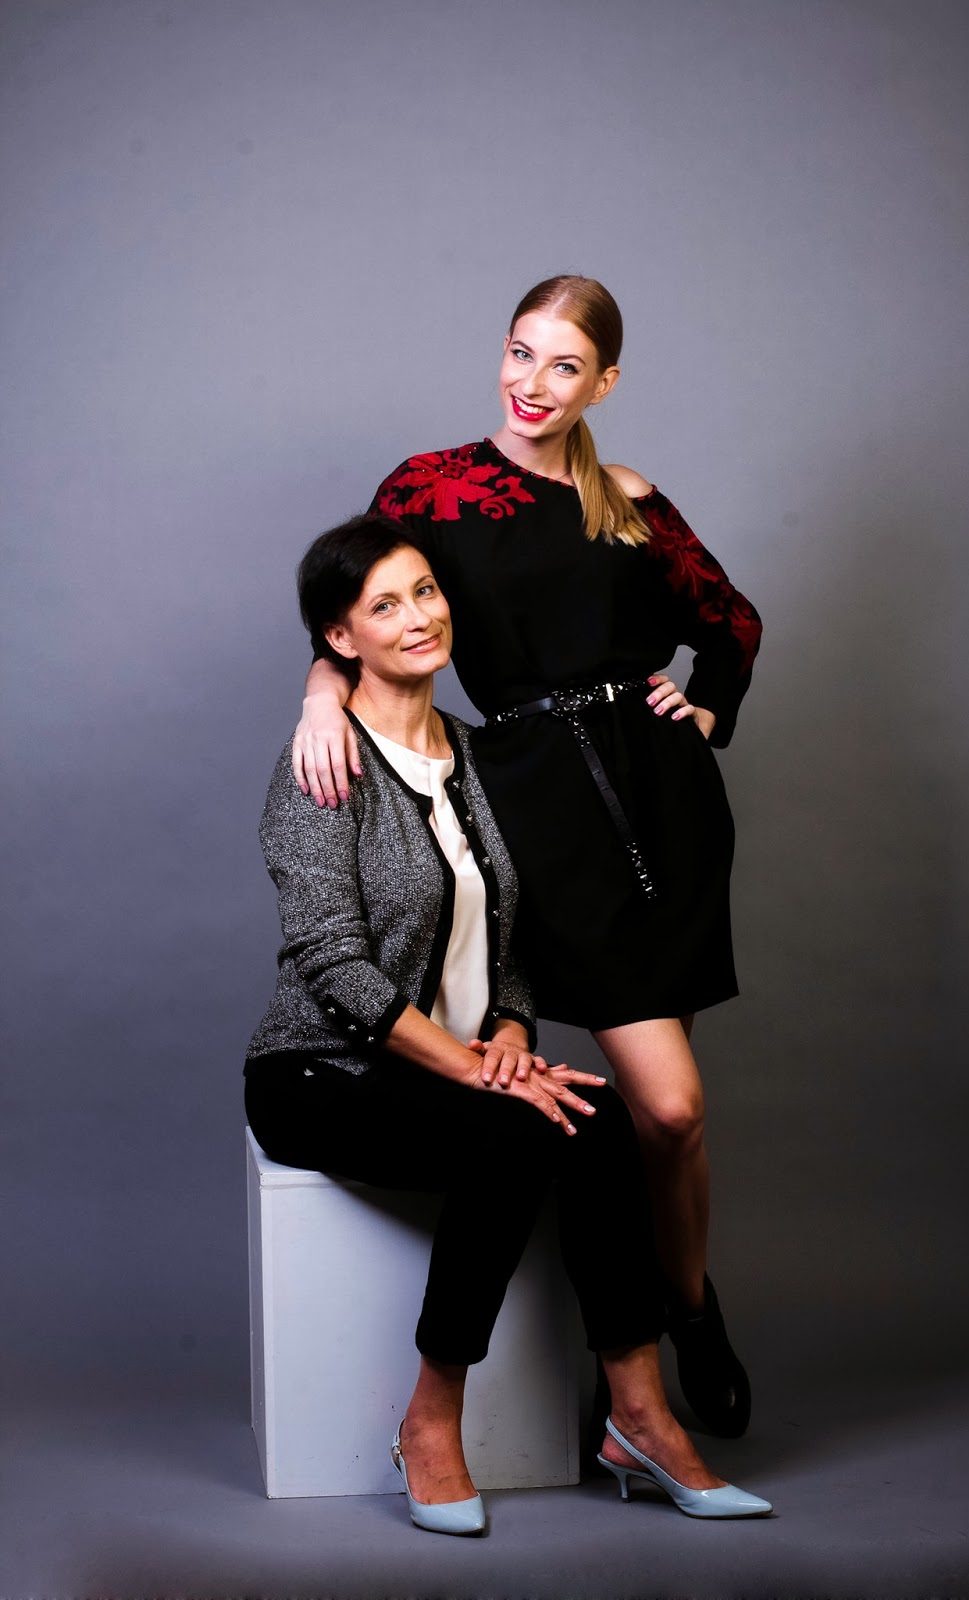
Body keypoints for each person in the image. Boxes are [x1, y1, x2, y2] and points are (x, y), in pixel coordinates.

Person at [293, 277, 763, 1439]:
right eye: (519, 352)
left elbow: (731, 626)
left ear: (604, 381)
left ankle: (676, 1320)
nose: (532, 383)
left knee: (666, 1117)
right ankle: (670, 1321)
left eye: (563, 365)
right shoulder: (431, 487)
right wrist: (317, 695)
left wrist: (705, 709)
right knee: (670, 1101)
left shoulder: (629, 500)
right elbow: (351, 606)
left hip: (664, 803)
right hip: (540, 806)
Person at [245, 514, 772, 1533]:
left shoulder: (485, 757)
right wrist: (470, 1066)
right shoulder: (323, 762)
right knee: (520, 1136)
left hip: (457, 1069)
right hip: (321, 1073)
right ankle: (430, 1418)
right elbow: (331, 963)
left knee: (603, 1124)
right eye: (385, 605)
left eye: (425, 592)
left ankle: (638, 1418)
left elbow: (515, 939)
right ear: (341, 639)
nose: (418, 617)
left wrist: (514, 1037)